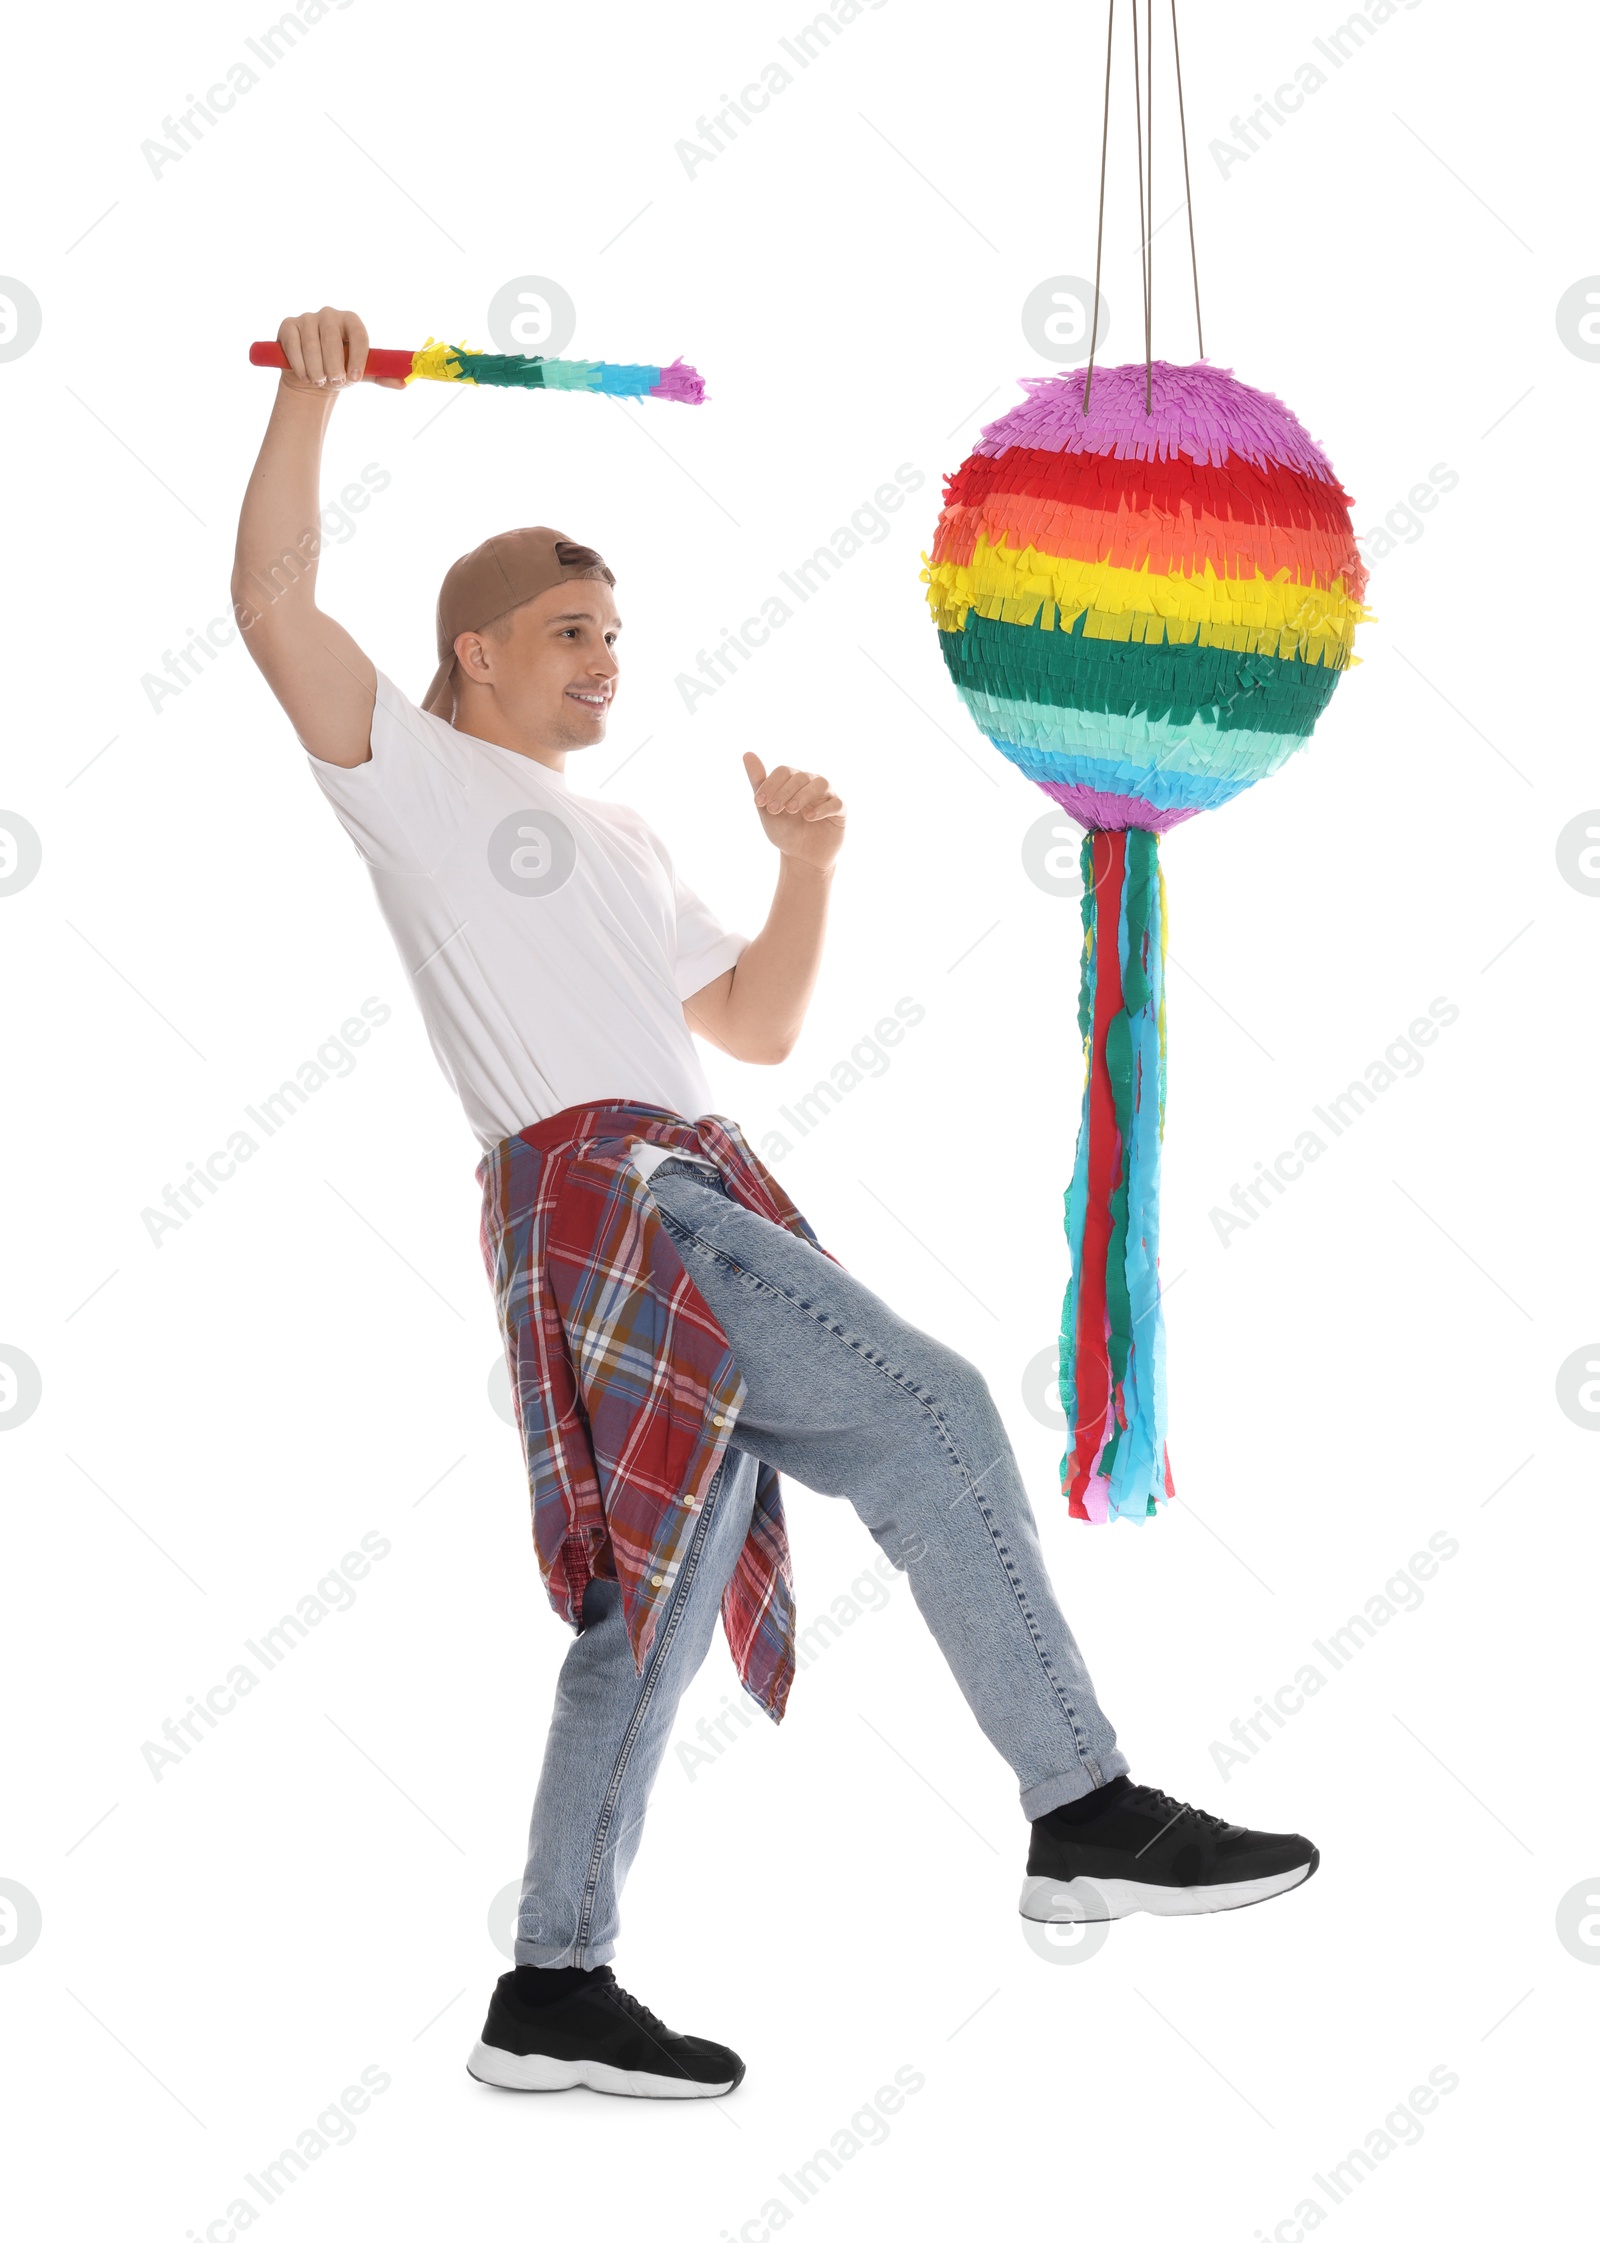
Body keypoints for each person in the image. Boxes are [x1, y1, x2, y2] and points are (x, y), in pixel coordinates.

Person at [233, 306, 1319, 2103]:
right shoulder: (416, 788)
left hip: (679, 1171)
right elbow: (276, 601)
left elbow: (752, 1022)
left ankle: (548, 1992)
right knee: (933, 1415)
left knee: (642, 1614)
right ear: (475, 651)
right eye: (571, 633)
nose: (604, 661)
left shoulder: (629, 837)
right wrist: (308, 403)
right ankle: (1085, 1808)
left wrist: (804, 870)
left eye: (616, 635)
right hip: (617, 1196)